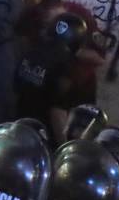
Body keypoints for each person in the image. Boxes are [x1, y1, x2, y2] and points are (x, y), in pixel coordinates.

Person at [13, 12, 94, 144]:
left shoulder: (32, 52)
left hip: (16, 126)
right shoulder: (67, 64)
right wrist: (64, 146)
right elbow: (57, 111)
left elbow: (15, 87)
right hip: (41, 137)